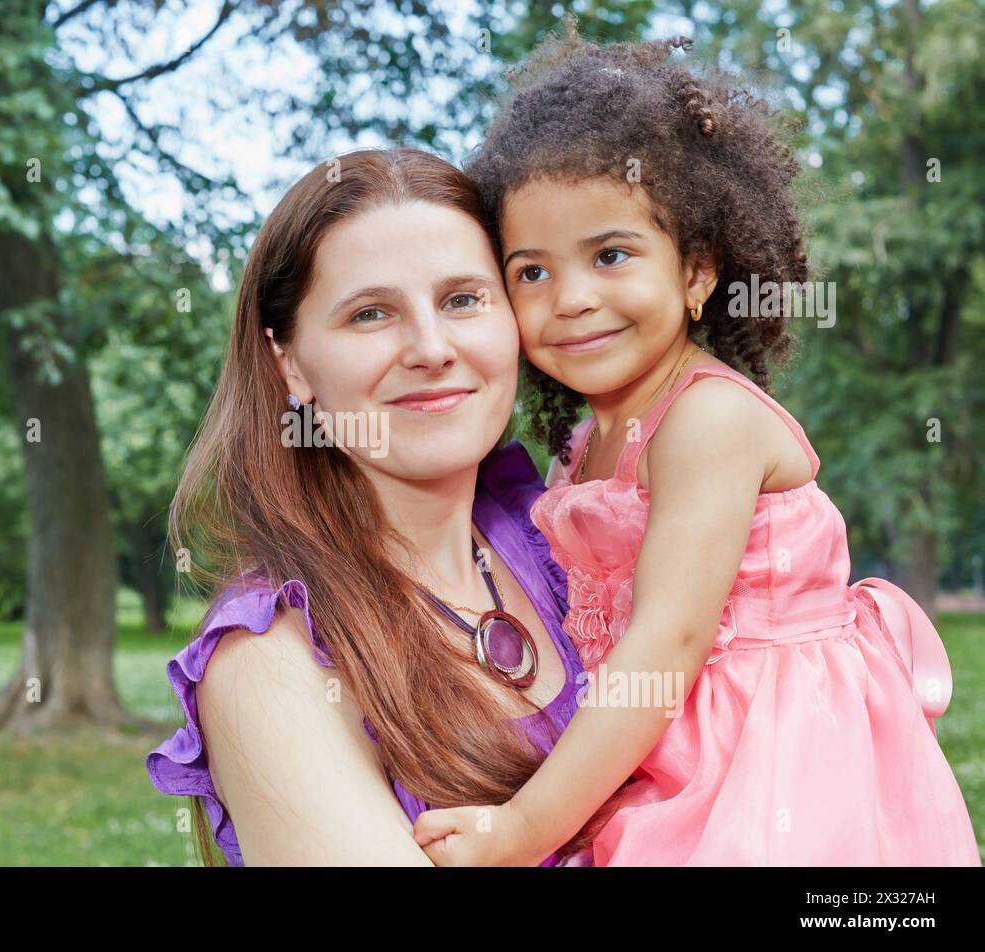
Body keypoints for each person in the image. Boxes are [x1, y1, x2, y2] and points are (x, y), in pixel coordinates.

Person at [410, 21, 981, 866]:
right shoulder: (582, 443)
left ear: (697, 273)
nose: (569, 298)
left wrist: (526, 828)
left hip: (766, 762)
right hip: (656, 741)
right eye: (531, 270)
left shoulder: (706, 421)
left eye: (611, 254)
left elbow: (668, 641)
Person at [146, 147, 624, 866]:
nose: (432, 349)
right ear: (292, 365)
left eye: (463, 299)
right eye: (371, 314)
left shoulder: (572, 547)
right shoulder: (270, 664)